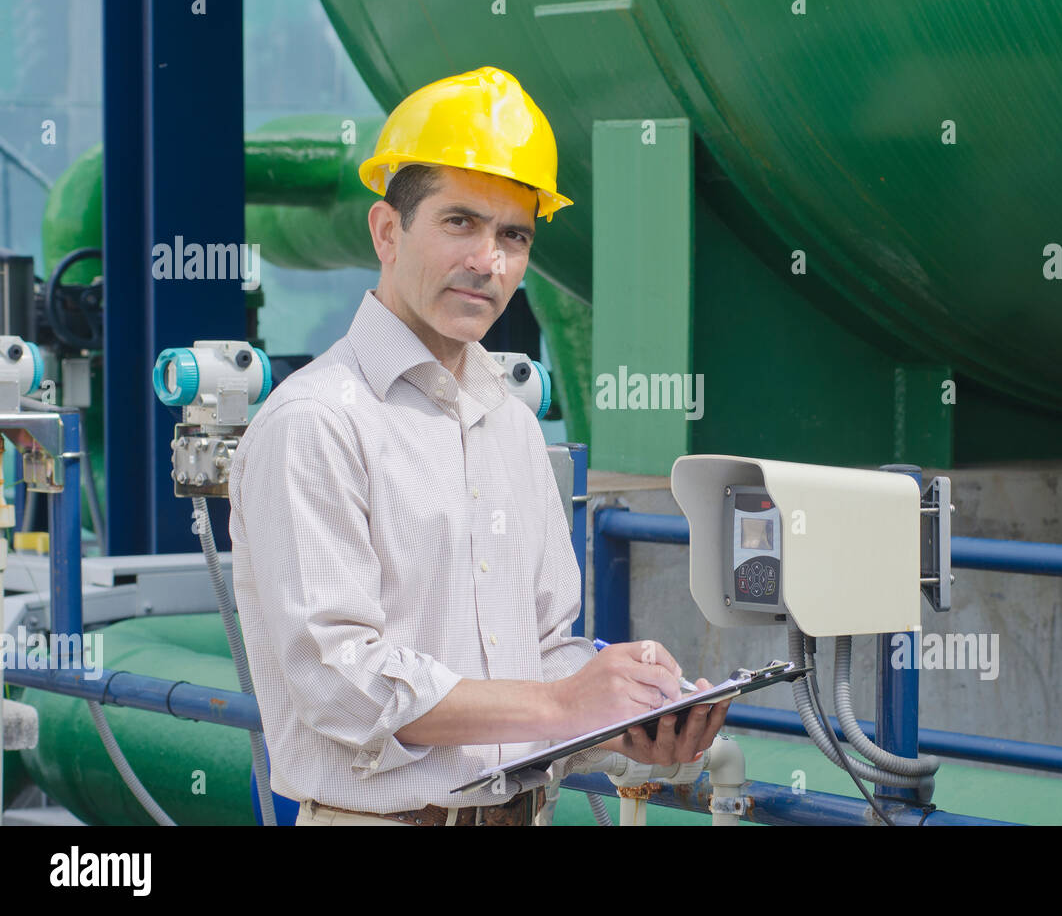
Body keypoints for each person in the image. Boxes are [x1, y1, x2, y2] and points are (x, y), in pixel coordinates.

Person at [229, 66, 729, 827]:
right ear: (387, 231)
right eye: (460, 222)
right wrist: (561, 699)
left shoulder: (514, 426)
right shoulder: (315, 423)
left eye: (514, 235)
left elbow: (542, 649)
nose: (488, 261)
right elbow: (341, 681)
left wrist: (623, 715)